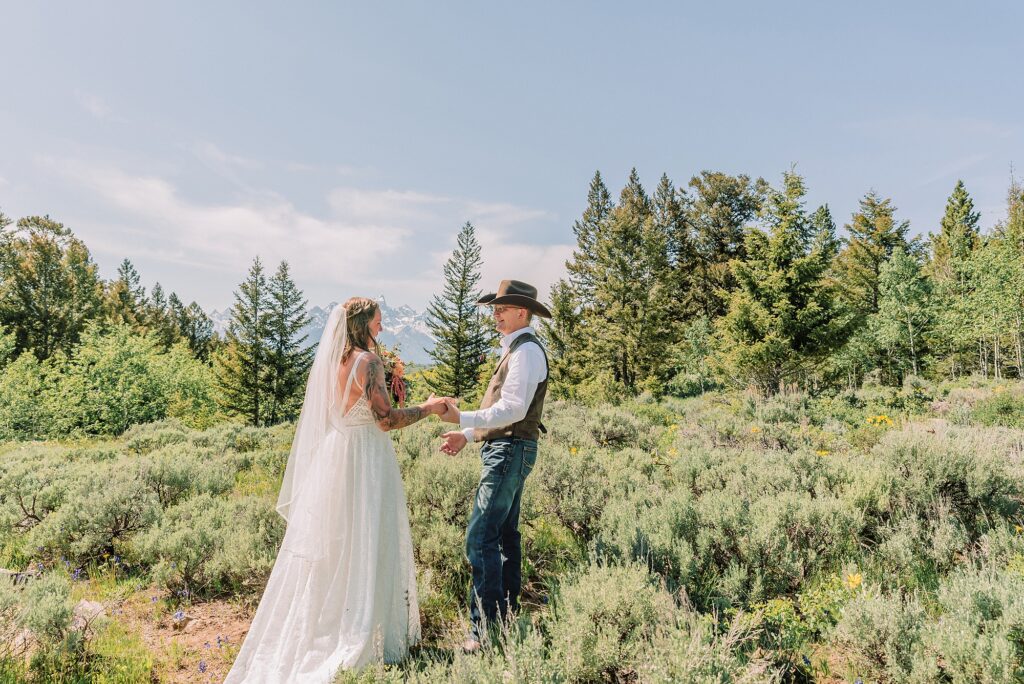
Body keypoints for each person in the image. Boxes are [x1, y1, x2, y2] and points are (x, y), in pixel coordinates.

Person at [225, 297, 449, 683]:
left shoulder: (334, 362)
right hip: (365, 458)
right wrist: (430, 407)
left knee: (338, 544)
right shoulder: (369, 362)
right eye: (379, 321)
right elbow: (386, 420)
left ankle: (328, 625)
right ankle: (359, 631)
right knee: (366, 537)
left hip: (336, 455)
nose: (382, 328)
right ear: (364, 323)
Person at [439, 279, 551, 653]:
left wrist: (460, 418)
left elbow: (514, 409)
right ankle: (502, 619)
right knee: (503, 536)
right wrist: (469, 435)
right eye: (495, 308)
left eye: (502, 308)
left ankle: (483, 631)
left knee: (481, 536)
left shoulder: (525, 352)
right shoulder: (519, 349)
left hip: (509, 451)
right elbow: (508, 411)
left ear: (523, 312)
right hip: (508, 449)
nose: (496, 314)